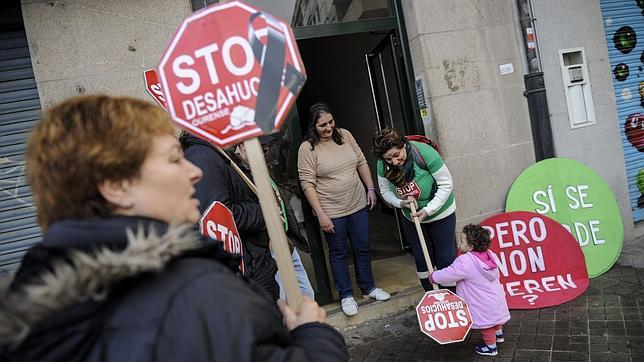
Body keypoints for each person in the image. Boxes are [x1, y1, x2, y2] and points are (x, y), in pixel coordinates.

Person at [0, 95, 348, 361]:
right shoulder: (194, 297)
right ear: (117, 186)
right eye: (172, 158)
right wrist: (313, 334)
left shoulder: (33, 313)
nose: (195, 172)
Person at [298, 102, 390, 317]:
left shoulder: (345, 135)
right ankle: (346, 295)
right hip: (332, 210)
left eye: (331, 122)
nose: (329, 128)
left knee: (362, 247)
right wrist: (321, 214)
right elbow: (307, 184)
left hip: (357, 203)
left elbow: (361, 162)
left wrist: (370, 188)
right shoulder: (307, 148)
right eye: (322, 125)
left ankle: (368, 288)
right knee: (339, 253)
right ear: (313, 126)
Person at [180, 132, 280, 300]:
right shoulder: (202, 157)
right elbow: (220, 217)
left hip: (255, 263)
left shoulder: (217, 153)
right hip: (248, 270)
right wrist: (264, 211)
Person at [371, 127, 456, 291]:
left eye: (396, 155)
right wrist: (400, 203)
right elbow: (385, 191)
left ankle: (452, 297)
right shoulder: (383, 164)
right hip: (411, 216)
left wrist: (428, 210)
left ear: (403, 144)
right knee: (422, 259)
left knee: (445, 258)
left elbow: (446, 184)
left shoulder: (425, 153)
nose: (394, 162)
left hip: (440, 213)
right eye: (389, 159)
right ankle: (432, 297)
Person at [236, 137, 315, 300]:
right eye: (260, 149)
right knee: (284, 300)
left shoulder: (257, 167)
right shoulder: (237, 174)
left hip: (284, 242)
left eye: (265, 150)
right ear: (243, 146)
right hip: (269, 247)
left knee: (307, 294)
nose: (263, 154)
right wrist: (270, 235)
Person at [429, 224, 510, 357]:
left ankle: (491, 347)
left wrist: (434, 276)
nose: (459, 244)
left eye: (461, 241)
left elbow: (450, 273)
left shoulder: (465, 261)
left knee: (487, 324)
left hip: (481, 302)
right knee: (495, 318)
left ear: (471, 247)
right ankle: (498, 335)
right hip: (495, 297)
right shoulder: (490, 255)